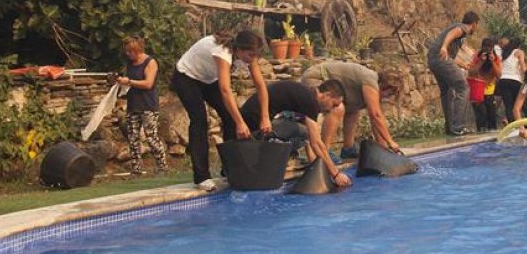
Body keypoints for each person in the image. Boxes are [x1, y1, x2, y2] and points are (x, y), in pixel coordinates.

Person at [171, 30, 271, 191]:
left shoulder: (248, 56)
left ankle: (229, 170)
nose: (253, 59)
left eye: (256, 56)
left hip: (208, 79)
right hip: (186, 77)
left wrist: (265, 117)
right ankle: (202, 177)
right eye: (250, 55)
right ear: (239, 50)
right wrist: (240, 123)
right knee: (200, 120)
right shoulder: (223, 53)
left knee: (231, 117)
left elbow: (261, 86)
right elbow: (225, 90)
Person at [240, 79, 353, 188]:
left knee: (304, 131)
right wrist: (335, 173)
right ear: (326, 95)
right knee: (304, 132)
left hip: (251, 120)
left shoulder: (307, 94)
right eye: (334, 104)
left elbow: (310, 138)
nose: (332, 109)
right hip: (253, 125)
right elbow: (316, 143)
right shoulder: (311, 102)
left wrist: (315, 167)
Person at [301, 60, 403, 159]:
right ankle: (324, 152)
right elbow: (375, 116)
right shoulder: (370, 80)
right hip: (316, 77)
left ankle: (348, 149)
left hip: (334, 84)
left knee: (354, 109)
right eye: (389, 94)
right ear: (384, 86)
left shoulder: (373, 87)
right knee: (337, 107)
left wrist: (384, 149)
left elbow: (376, 123)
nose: (387, 97)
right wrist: (391, 141)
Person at [114, 36, 168, 175]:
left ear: (137, 50)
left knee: (151, 137)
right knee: (132, 138)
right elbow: (129, 82)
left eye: (130, 51)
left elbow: (148, 83)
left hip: (148, 105)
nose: (128, 54)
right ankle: (136, 169)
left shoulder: (150, 62)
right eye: (126, 51)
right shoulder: (130, 63)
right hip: (133, 105)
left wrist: (130, 81)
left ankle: (162, 166)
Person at [427, 11, 480, 136]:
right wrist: (444, 46)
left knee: (447, 92)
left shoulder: (458, 33)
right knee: (463, 87)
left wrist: (463, 65)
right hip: (440, 58)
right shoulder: (463, 28)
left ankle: (450, 128)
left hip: (434, 59)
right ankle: (458, 127)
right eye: (476, 25)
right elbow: (453, 33)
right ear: (474, 24)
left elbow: (450, 57)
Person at [467, 38, 501, 132]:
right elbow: (471, 73)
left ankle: (492, 132)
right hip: (478, 91)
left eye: (489, 48)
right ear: (482, 47)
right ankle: (481, 131)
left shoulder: (496, 58)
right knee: (481, 116)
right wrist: (481, 62)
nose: (487, 50)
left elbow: (499, 75)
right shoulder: (477, 57)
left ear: (492, 49)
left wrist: (493, 61)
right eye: (485, 47)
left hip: (490, 91)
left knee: (491, 115)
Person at [496, 37, 527, 124]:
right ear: (519, 45)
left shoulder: (505, 53)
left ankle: (510, 124)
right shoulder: (519, 52)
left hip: (503, 80)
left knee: (508, 105)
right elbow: (522, 64)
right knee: (516, 105)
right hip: (514, 80)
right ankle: (517, 124)